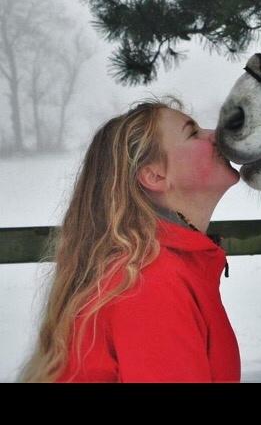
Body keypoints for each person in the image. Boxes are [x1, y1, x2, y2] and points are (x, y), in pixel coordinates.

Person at [18, 97, 241, 383]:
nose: (214, 134)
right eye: (193, 132)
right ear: (154, 176)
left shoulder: (166, 269)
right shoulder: (151, 283)